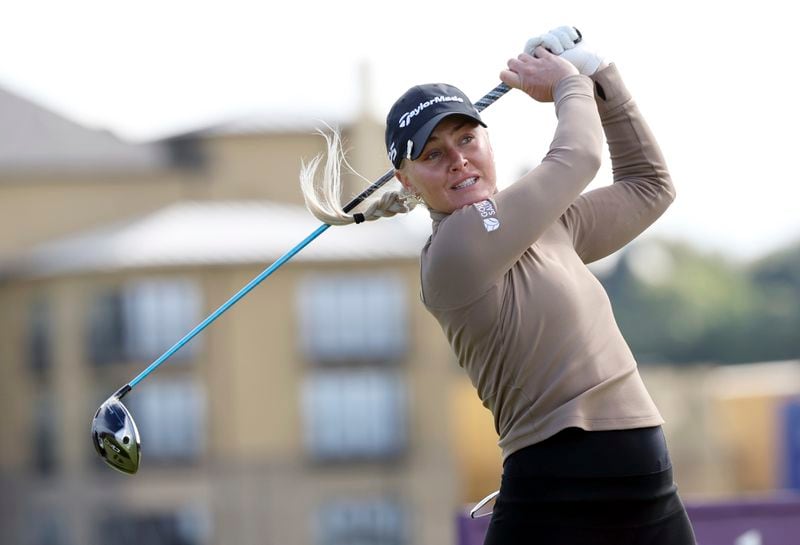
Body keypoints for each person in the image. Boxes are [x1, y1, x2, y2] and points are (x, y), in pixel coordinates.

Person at [300, 26, 696, 545]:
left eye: (466, 138)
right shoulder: (455, 248)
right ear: (406, 180)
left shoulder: (550, 225)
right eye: (433, 153)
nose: (458, 158)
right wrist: (569, 83)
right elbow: (579, 157)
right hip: (556, 489)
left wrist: (601, 72)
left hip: (646, 478)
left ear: (487, 139)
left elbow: (650, 185)